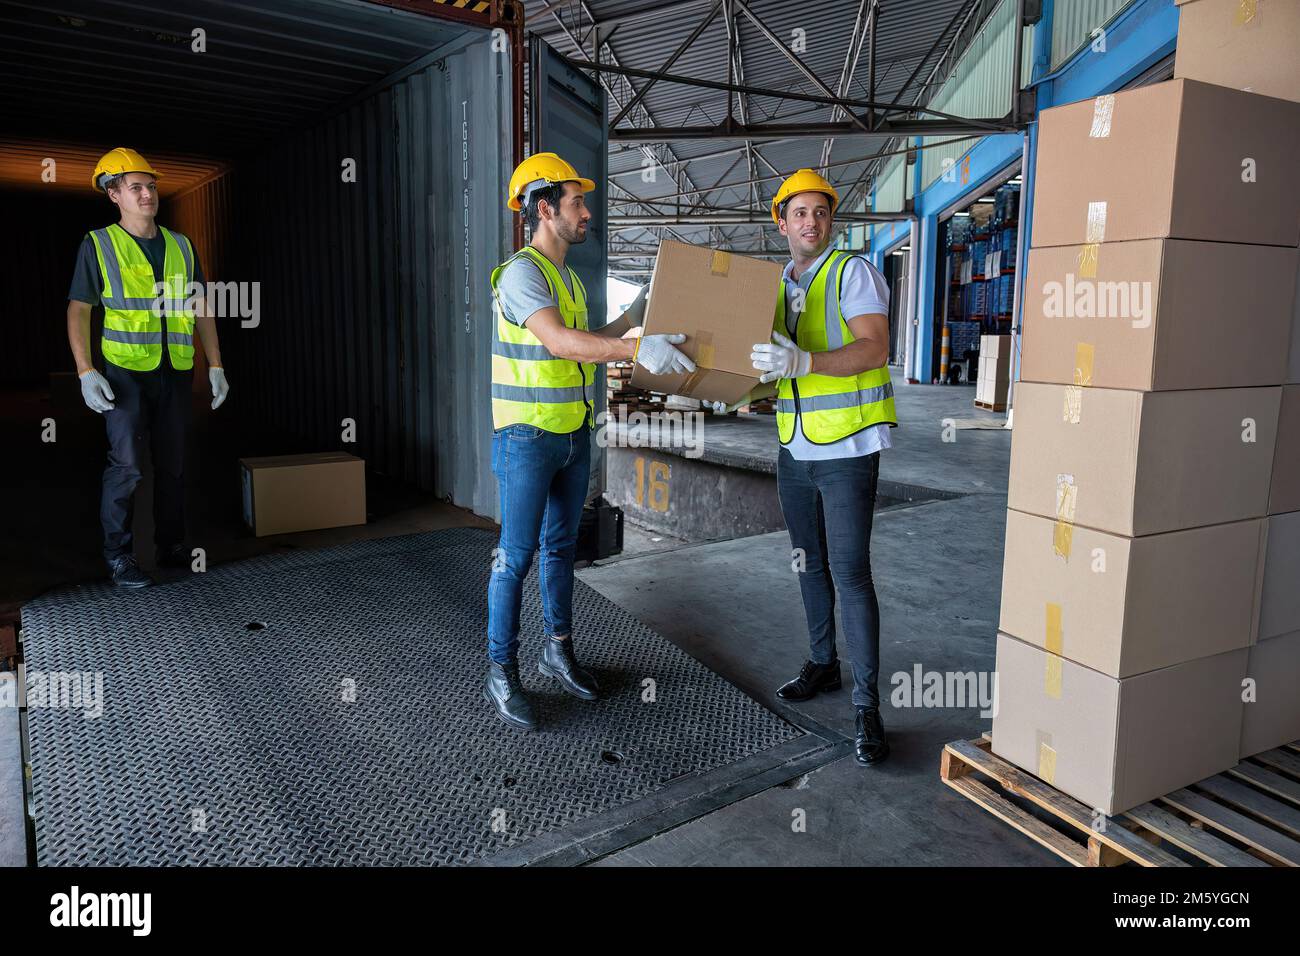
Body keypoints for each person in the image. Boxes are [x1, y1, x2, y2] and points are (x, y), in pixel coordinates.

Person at [485, 152, 695, 731]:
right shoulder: (522, 273)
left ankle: (557, 652)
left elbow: (586, 338)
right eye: (578, 202)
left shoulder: (568, 279)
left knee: (559, 551)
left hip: (575, 433)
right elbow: (557, 343)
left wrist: (634, 317)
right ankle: (500, 670)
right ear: (545, 208)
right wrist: (635, 349)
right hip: (527, 437)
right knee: (515, 558)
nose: (587, 212)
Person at [745, 168, 898, 765]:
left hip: (847, 450)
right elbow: (769, 363)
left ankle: (867, 708)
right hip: (794, 445)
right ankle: (822, 664)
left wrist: (802, 358)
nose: (812, 223)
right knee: (808, 563)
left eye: (821, 213)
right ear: (780, 222)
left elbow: (874, 347)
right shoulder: (778, 285)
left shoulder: (851, 272)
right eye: (800, 213)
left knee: (851, 573)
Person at [66, 148, 229, 588]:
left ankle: (171, 547)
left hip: (174, 371)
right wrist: (85, 370)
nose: (147, 194)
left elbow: (200, 306)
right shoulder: (98, 244)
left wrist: (215, 364)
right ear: (113, 194)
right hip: (124, 374)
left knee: (173, 465)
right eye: (135, 187)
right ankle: (118, 556)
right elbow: (80, 309)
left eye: (151, 185)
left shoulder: (180, 245)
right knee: (128, 466)